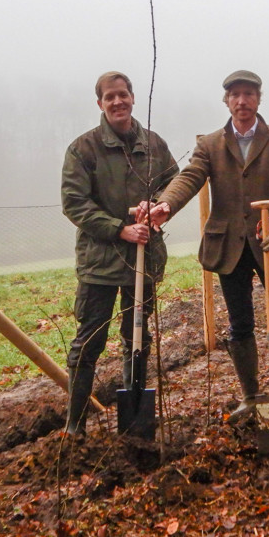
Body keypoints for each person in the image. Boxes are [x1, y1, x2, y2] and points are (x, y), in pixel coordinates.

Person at [145, 70, 269, 436]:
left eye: (249, 94)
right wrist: (165, 205)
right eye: (235, 95)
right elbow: (190, 177)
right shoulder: (210, 144)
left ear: (259, 99)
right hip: (230, 248)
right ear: (226, 100)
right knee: (240, 324)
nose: (242, 101)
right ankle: (251, 397)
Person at [59, 71, 178, 436]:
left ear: (132, 98)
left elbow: (175, 182)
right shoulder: (84, 149)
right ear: (100, 103)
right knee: (89, 342)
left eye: (123, 94)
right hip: (100, 263)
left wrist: (158, 207)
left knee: (138, 337)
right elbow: (74, 203)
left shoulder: (153, 145)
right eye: (109, 96)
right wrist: (118, 228)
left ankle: (134, 421)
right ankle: (74, 426)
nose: (117, 102)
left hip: (144, 261)